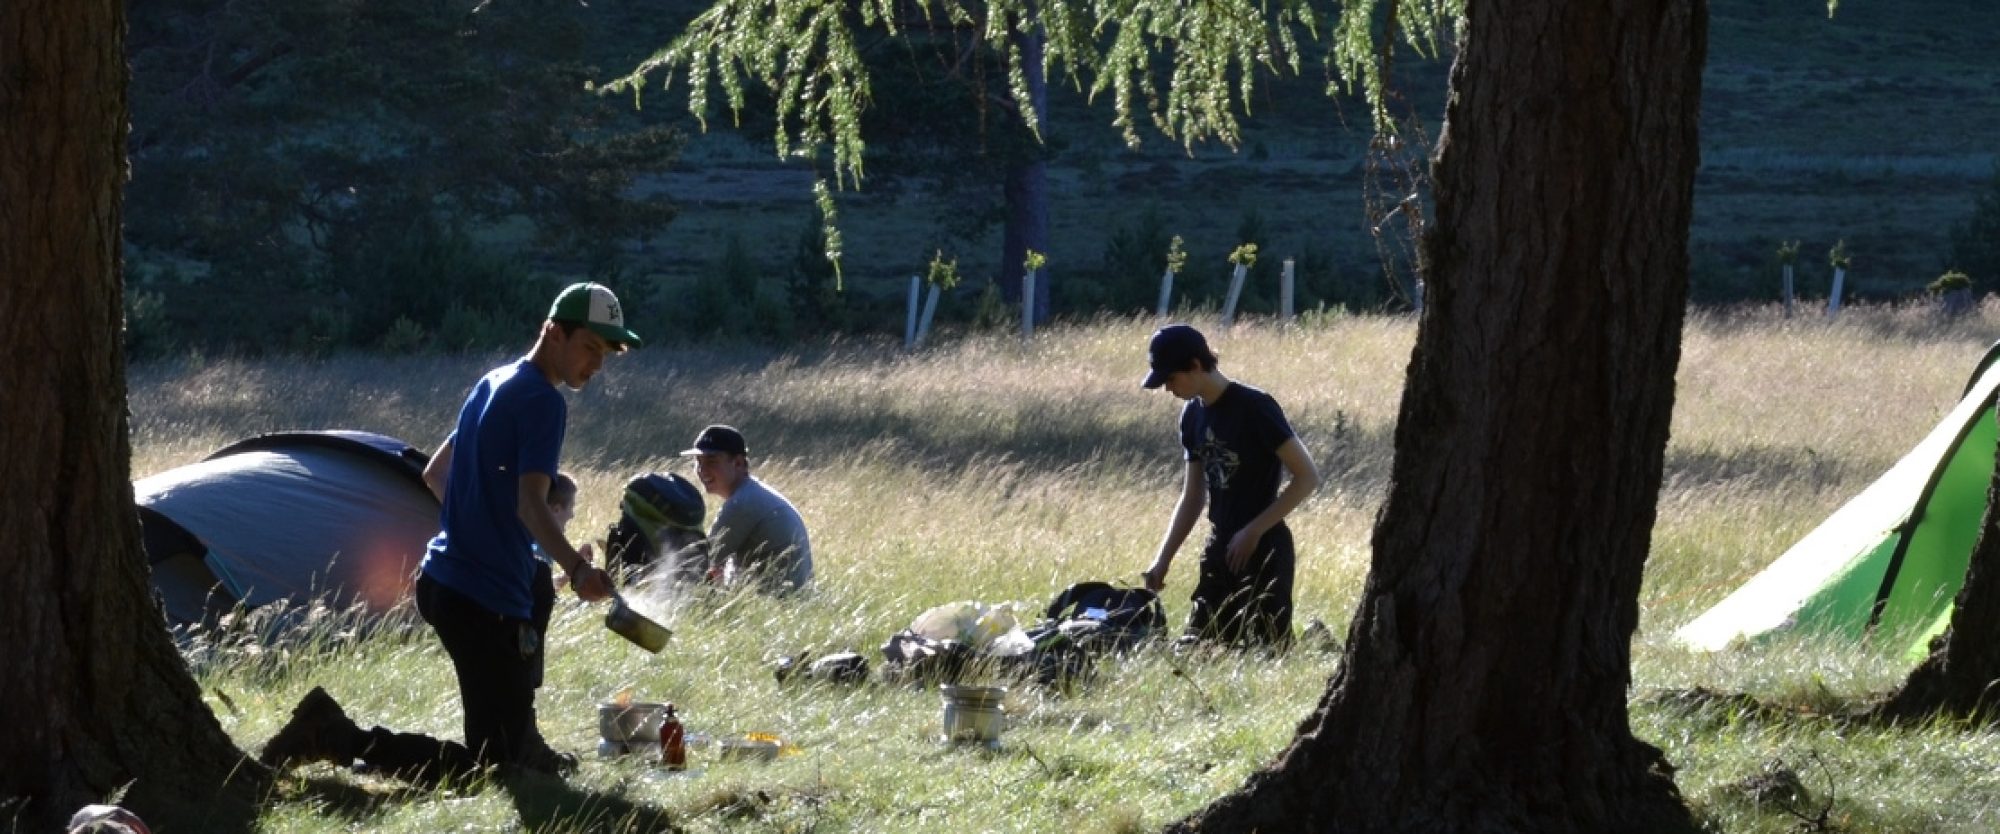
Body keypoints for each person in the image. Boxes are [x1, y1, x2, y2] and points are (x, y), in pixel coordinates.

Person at [259, 281, 640, 782]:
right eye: (590, 346)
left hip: (447, 582)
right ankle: (334, 735)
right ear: (552, 332)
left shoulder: (495, 382)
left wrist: (486, 532)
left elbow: (436, 473)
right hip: (483, 598)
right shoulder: (545, 402)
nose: (596, 364)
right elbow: (530, 502)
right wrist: (577, 568)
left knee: (528, 620)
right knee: (493, 768)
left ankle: (526, 744)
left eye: (606, 353)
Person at [1137, 324, 1320, 647]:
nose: (1168, 388)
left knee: (1269, 652)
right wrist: (1162, 560)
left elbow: (1307, 477)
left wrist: (1253, 531)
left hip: (1265, 546)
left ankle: (1319, 642)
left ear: (1195, 365)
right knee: (1199, 648)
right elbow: (1193, 497)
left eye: (1171, 378)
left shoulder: (1255, 407)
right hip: (1221, 547)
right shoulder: (1192, 415)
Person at [681, 424, 813, 593]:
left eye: (711, 461)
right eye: (698, 462)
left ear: (738, 463)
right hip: (787, 603)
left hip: (777, 606)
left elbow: (702, 563)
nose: (702, 470)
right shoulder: (752, 493)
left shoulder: (742, 503)